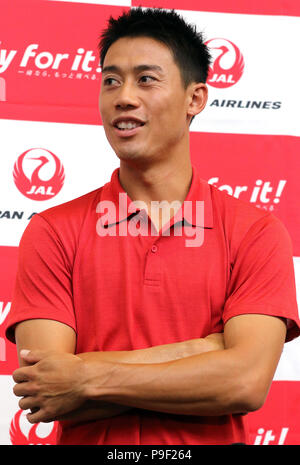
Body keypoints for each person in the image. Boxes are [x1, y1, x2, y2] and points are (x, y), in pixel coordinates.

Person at [5, 8, 300, 445]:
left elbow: (243, 383)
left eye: (146, 79)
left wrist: (83, 375)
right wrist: (200, 352)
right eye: (110, 80)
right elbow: (47, 392)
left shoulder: (255, 231)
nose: (123, 96)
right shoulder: (53, 230)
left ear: (195, 98)